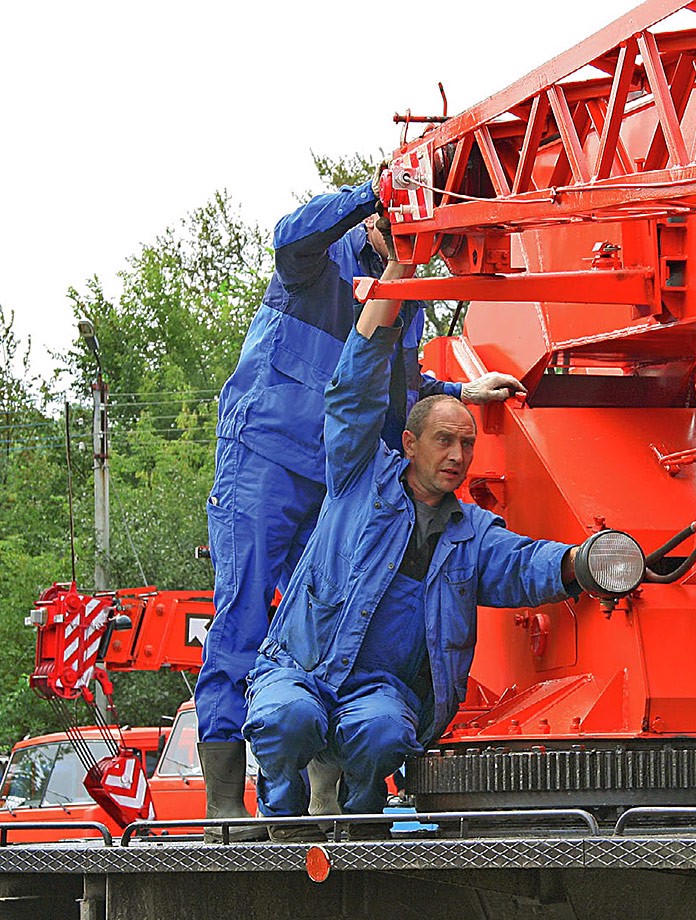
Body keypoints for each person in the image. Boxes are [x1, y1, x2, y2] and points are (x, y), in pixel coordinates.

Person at [197, 177, 522, 840]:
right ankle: (225, 801)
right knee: (242, 610)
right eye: (415, 230)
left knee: (341, 616)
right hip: (266, 456)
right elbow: (289, 232)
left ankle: (328, 792)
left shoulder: (408, 299)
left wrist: (461, 389)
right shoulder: (318, 255)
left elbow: (395, 386)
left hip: (338, 477)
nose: (421, 247)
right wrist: (372, 193)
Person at [242, 245, 580, 837]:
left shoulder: (470, 532)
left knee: (384, 733)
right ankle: (283, 814)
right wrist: (398, 273)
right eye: (444, 441)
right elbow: (352, 391)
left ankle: (361, 822)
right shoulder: (358, 475)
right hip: (301, 665)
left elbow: (525, 563)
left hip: (380, 686)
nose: (456, 456)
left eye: (467, 445)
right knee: (287, 718)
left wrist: (585, 563)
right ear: (409, 442)